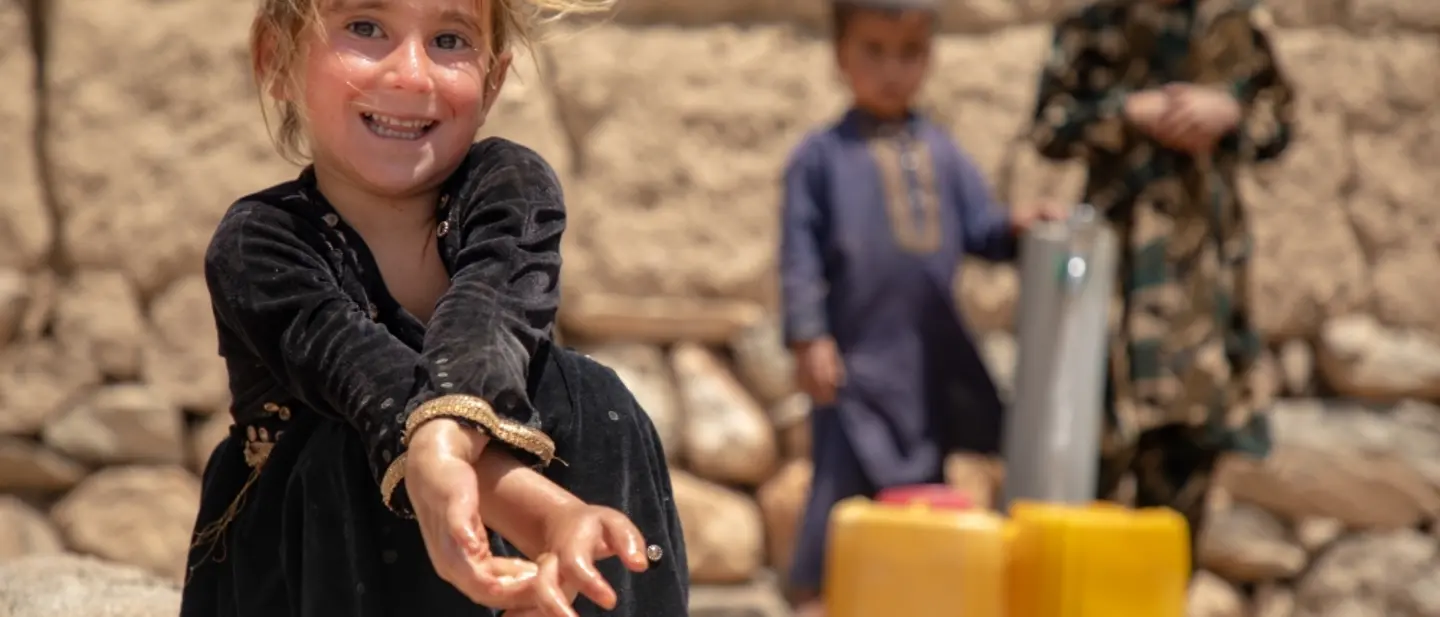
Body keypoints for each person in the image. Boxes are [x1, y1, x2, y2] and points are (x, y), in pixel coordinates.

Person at [180, 0, 688, 615]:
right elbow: (377, 387)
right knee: (347, 446)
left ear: (493, 80)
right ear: (277, 60)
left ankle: (583, 583)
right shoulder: (260, 244)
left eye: (450, 40)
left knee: (587, 393)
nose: (413, 75)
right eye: (366, 28)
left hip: (504, 495)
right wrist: (545, 512)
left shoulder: (509, 188)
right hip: (316, 566)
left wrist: (559, 520)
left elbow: (487, 323)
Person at [779, 0, 1062, 613]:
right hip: (855, 364)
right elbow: (798, 258)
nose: (892, 70)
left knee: (919, 491)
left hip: (925, 365)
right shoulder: (820, 158)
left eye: (910, 54)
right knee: (841, 488)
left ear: (930, 57)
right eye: (873, 51)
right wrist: (809, 336)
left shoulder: (943, 152)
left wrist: (1018, 226)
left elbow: (981, 227)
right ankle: (816, 596)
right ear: (840, 55)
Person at [1027, 0, 1295, 571]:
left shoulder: (1235, 22)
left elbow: (1278, 125)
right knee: (1082, 485)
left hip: (1199, 303)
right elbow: (1049, 125)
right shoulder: (1095, 21)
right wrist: (1128, 113)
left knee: (1176, 506)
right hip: (1107, 295)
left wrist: (1227, 114)